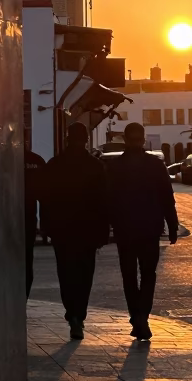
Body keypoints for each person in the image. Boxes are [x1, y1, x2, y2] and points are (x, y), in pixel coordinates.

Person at [106, 122, 178, 341]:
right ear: (143, 139)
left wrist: (105, 226)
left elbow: (106, 200)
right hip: (149, 229)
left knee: (129, 276)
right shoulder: (155, 165)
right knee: (148, 275)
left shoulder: (115, 166)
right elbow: (167, 196)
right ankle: (142, 317)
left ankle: (136, 316)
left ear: (125, 140)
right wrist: (172, 225)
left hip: (125, 230)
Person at [40, 123, 110, 340]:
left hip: (63, 228)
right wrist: (103, 230)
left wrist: (46, 225)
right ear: (86, 139)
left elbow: (46, 197)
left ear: (67, 138)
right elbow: (103, 201)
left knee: (66, 272)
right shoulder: (96, 166)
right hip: (87, 229)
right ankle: (79, 313)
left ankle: (72, 313)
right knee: (84, 274)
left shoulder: (54, 165)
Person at [24, 146, 46, 299]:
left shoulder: (1, 159)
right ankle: (23, 298)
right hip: (28, 219)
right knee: (27, 261)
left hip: (6, 222)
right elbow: (44, 196)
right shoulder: (36, 161)